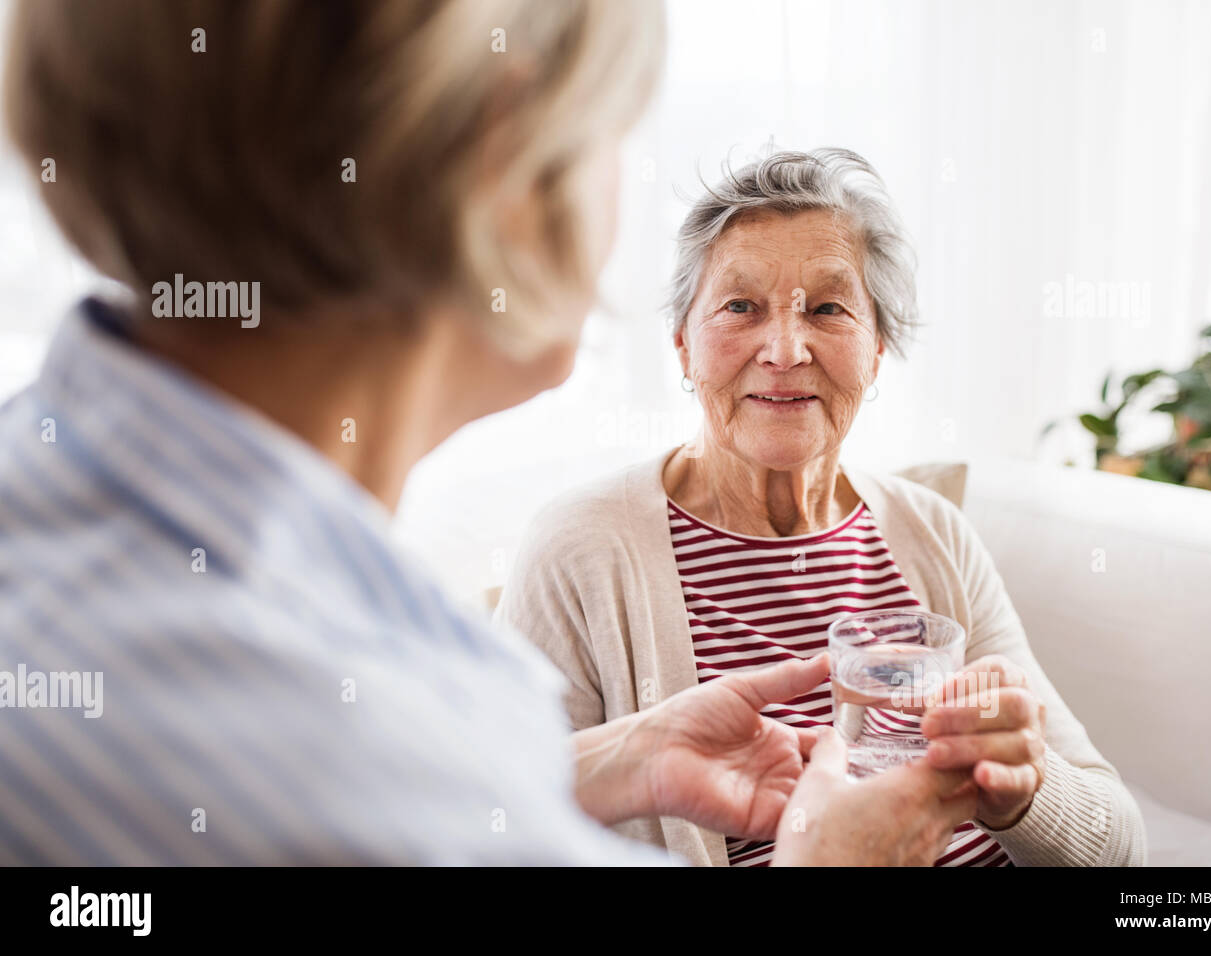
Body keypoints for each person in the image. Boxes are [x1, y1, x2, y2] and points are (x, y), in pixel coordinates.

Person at [0, 1, 976, 865]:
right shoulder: (360, 777)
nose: (782, 348)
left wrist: (616, 756)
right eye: (611, 133)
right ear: (501, 158)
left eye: (828, 312)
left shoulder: (53, 483)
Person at [497, 148, 1148, 866]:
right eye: (740, 306)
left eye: (829, 307)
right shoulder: (581, 547)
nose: (784, 349)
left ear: (877, 349)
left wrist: (1025, 791)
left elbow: (1119, 846)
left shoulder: (931, 531)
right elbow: (502, 832)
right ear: (682, 345)